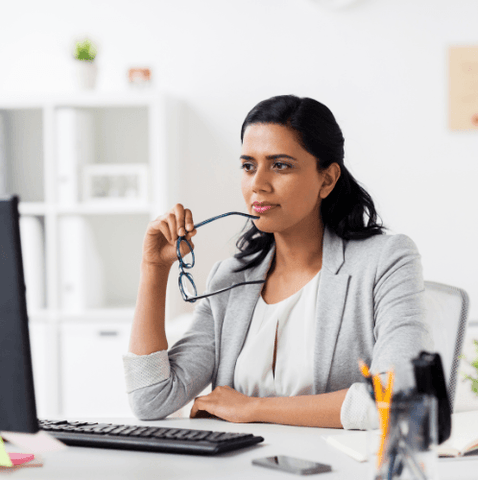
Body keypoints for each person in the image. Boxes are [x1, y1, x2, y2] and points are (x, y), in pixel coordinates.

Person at [122, 95, 432, 430]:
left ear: (326, 180)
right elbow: (150, 399)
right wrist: (154, 269)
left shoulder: (385, 260)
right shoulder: (229, 280)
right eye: (248, 166)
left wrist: (253, 408)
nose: (258, 184)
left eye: (280, 165)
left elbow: (402, 399)